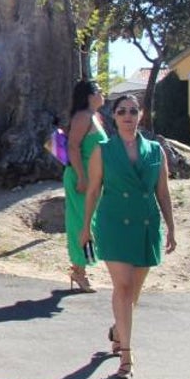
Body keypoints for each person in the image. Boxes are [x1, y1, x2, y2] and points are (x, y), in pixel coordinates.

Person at [81, 95, 177, 379]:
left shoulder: (155, 150)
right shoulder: (103, 150)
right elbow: (93, 190)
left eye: (133, 111)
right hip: (113, 224)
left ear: (141, 115)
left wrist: (171, 227)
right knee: (122, 287)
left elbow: (163, 191)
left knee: (133, 292)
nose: (127, 116)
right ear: (114, 116)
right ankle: (126, 354)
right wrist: (86, 226)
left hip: (145, 223)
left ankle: (117, 329)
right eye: (121, 111)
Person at [63, 81, 107, 293]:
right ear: (89, 96)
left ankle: (81, 267)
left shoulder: (95, 117)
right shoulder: (83, 117)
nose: (102, 93)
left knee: (90, 223)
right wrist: (81, 176)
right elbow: (72, 146)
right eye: (98, 91)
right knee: (81, 223)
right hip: (81, 179)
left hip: (94, 180)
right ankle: (79, 271)